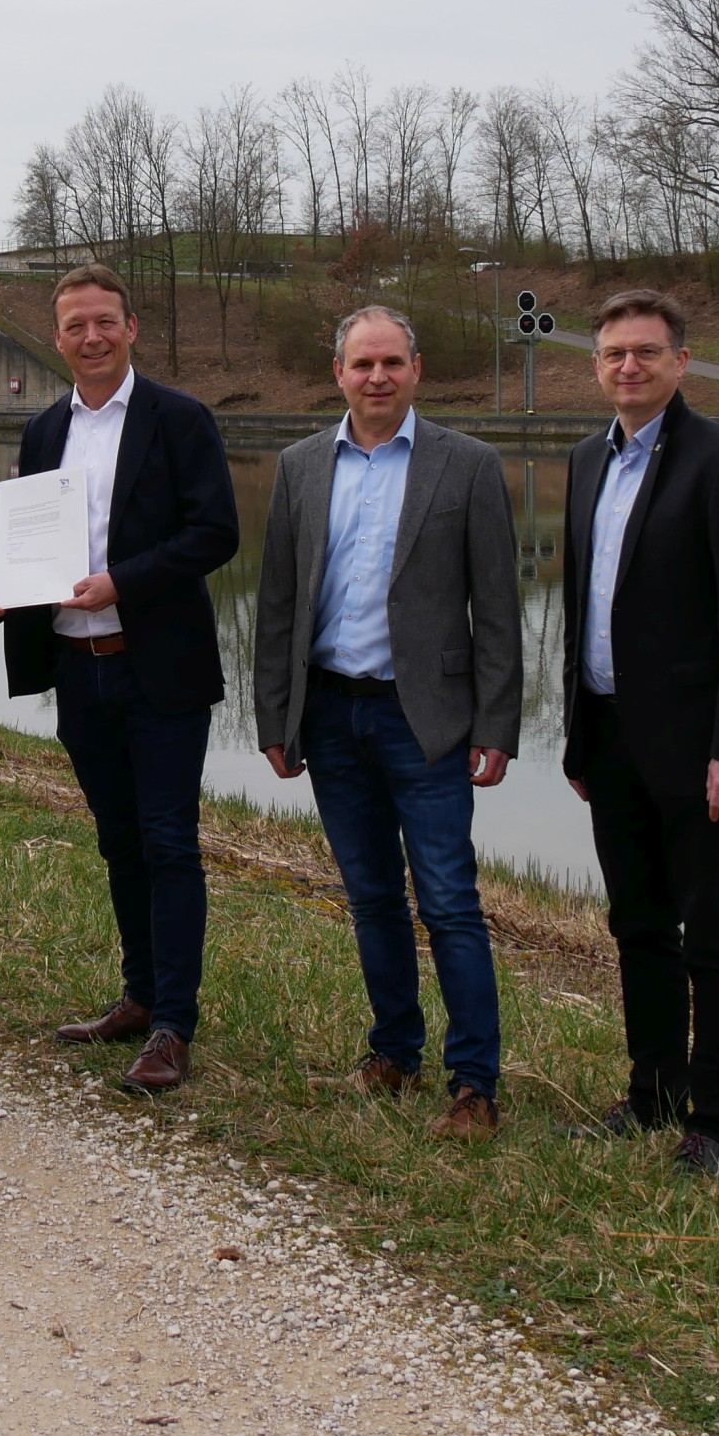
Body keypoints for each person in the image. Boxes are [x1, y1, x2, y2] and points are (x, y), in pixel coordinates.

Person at [252, 306, 521, 1140]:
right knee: (370, 897)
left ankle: (475, 1082)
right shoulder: (300, 466)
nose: (377, 377)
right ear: (338, 371)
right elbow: (279, 601)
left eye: (392, 362)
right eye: (362, 363)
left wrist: (497, 723)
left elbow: (500, 609)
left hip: (427, 718)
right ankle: (394, 1052)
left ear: (417, 368)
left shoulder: (467, 465)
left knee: (449, 900)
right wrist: (276, 713)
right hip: (330, 712)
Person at [558, 286, 719, 1180]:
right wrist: (579, 736)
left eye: (647, 351)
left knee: (713, 931)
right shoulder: (585, 460)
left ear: (681, 362)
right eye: (614, 353)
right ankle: (651, 1092)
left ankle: (716, 1128)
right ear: (597, 366)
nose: (629, 366)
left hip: (699, 750)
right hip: (610, 738)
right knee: (638, 924)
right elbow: (582, 611)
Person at [0, 264, 240, 1094]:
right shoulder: (40, 432)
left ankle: (175, 1024)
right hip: (78, 665)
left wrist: (122, 582)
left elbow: (217, 532)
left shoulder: (180, 419)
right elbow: (25, 550)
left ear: (131, 327)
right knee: (118, 841)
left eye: (105, 322)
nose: (92, 337)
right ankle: (138, 998)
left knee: (170, 843)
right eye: (75, 326)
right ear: (57, 337)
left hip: (158, 669)